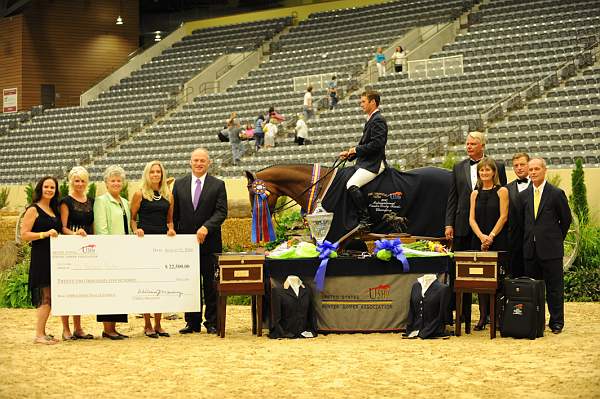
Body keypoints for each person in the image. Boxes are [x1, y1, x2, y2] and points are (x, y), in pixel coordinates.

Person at [445, 131, 506, 329]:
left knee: (487, 273)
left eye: (472, 144)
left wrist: (492, 232)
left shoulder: (498, 166)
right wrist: (449, 224)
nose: (468, 146)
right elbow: (452, 198)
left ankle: (489, 316)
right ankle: (463, 316)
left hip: (488, 227)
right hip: (464, 226)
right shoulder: (458, 167)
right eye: (467, 143)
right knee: (463, 274)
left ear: (482, 145)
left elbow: (502, 197)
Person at [172, 148, 227, 335]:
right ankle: (192, 322)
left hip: (210, 243)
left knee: (211, 284)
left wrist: (206, 227)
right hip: (187, 246)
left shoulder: (218, 185)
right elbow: (175, 214)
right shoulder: (179, 185)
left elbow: (221, 212)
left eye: (202, 160)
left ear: (208, 163)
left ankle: (211, 322)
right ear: (190, 162)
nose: (199, 163)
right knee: (190, 283)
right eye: (195, 160)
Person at [519, 158, 571, 334]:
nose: (533, 172)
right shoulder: (524, 195)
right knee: (534, 289)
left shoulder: (556, 193)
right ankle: (535, 320)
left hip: (551, 251)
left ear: (544, 170)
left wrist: (555, 239)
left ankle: (556, 322)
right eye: (530, 169)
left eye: (536, 169)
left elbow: (566, 220)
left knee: (554, 289)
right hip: (530, 251)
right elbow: (521, 223)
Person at [130, 160, 176, 338]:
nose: (156, 174)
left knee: (160, 283)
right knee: (147, 283)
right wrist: (136, 230)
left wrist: (171, 229)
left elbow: (169, 220)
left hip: (162, 244)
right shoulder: (139, 194)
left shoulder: (168, 195)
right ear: (147, 174)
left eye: (158, 172)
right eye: (152, 172)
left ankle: (158, 324)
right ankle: (147, 323)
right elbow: (133, 219)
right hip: (145, 242)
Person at [468, 157, 509, 331]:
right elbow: (471, 219)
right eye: (481, 170)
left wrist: (490, 236)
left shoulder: (502, 191)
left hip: (497, 239)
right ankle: (482, 316)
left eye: (487, 170)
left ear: (494, 172)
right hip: (478, 240)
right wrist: (481, 237)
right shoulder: (474, 193)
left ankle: (497, 317)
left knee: (497, 280)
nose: (484, 173)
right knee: (480, 280)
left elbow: (503, 216)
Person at [20, 176, 61, 345]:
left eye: (52, 187)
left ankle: (43, 331)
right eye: (46, 187)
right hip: (41, 258)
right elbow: (24, 235)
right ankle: (39, 334)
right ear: (40, 188)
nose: (49, 190)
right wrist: (44, 234)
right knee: (46, 297)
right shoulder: (33, 209)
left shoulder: (53, 209)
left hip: (54, 258)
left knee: (50, 296)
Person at [339, 90, 387, 229]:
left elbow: (377, 144)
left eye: (363, 102)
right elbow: (365, 144)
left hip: (375, 163)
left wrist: (356, 150)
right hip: (366, 161)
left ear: (373, 102)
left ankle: (366, 219)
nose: (361, 105)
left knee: (351, 184)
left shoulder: (378, 119)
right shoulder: (371, 119)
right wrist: (350, 154)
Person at [93, 165, 131, 340]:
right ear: (106, 183)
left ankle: (114, 328)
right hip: (109, 252)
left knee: (119, 290)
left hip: (124, 252)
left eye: (118, 180)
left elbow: (127, 227)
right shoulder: (101, 201)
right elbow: (102, 229)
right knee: (109, 289)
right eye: (112, 180)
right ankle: (107, 329)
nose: (116, 183)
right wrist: (109, 252)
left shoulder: (125, 202)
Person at [59, 166, 94, 341]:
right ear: (71, 181)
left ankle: (78, 328)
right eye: (76, 180)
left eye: (82, 180)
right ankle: (66, 329)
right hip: (70, 247)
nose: (79, 183)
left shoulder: (91, 200)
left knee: (80, 289)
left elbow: (93, 225)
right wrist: (75, 234)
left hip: (87, 248)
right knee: (67, 288)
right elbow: (62, 227)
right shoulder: (66, 201)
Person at [506, 152, 530, 278]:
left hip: (534, 244)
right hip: (514, 244)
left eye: (522, 164)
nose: (519, 168)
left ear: (529, 165)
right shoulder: (506, 189)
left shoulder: (539, 186)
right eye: (516, 165)